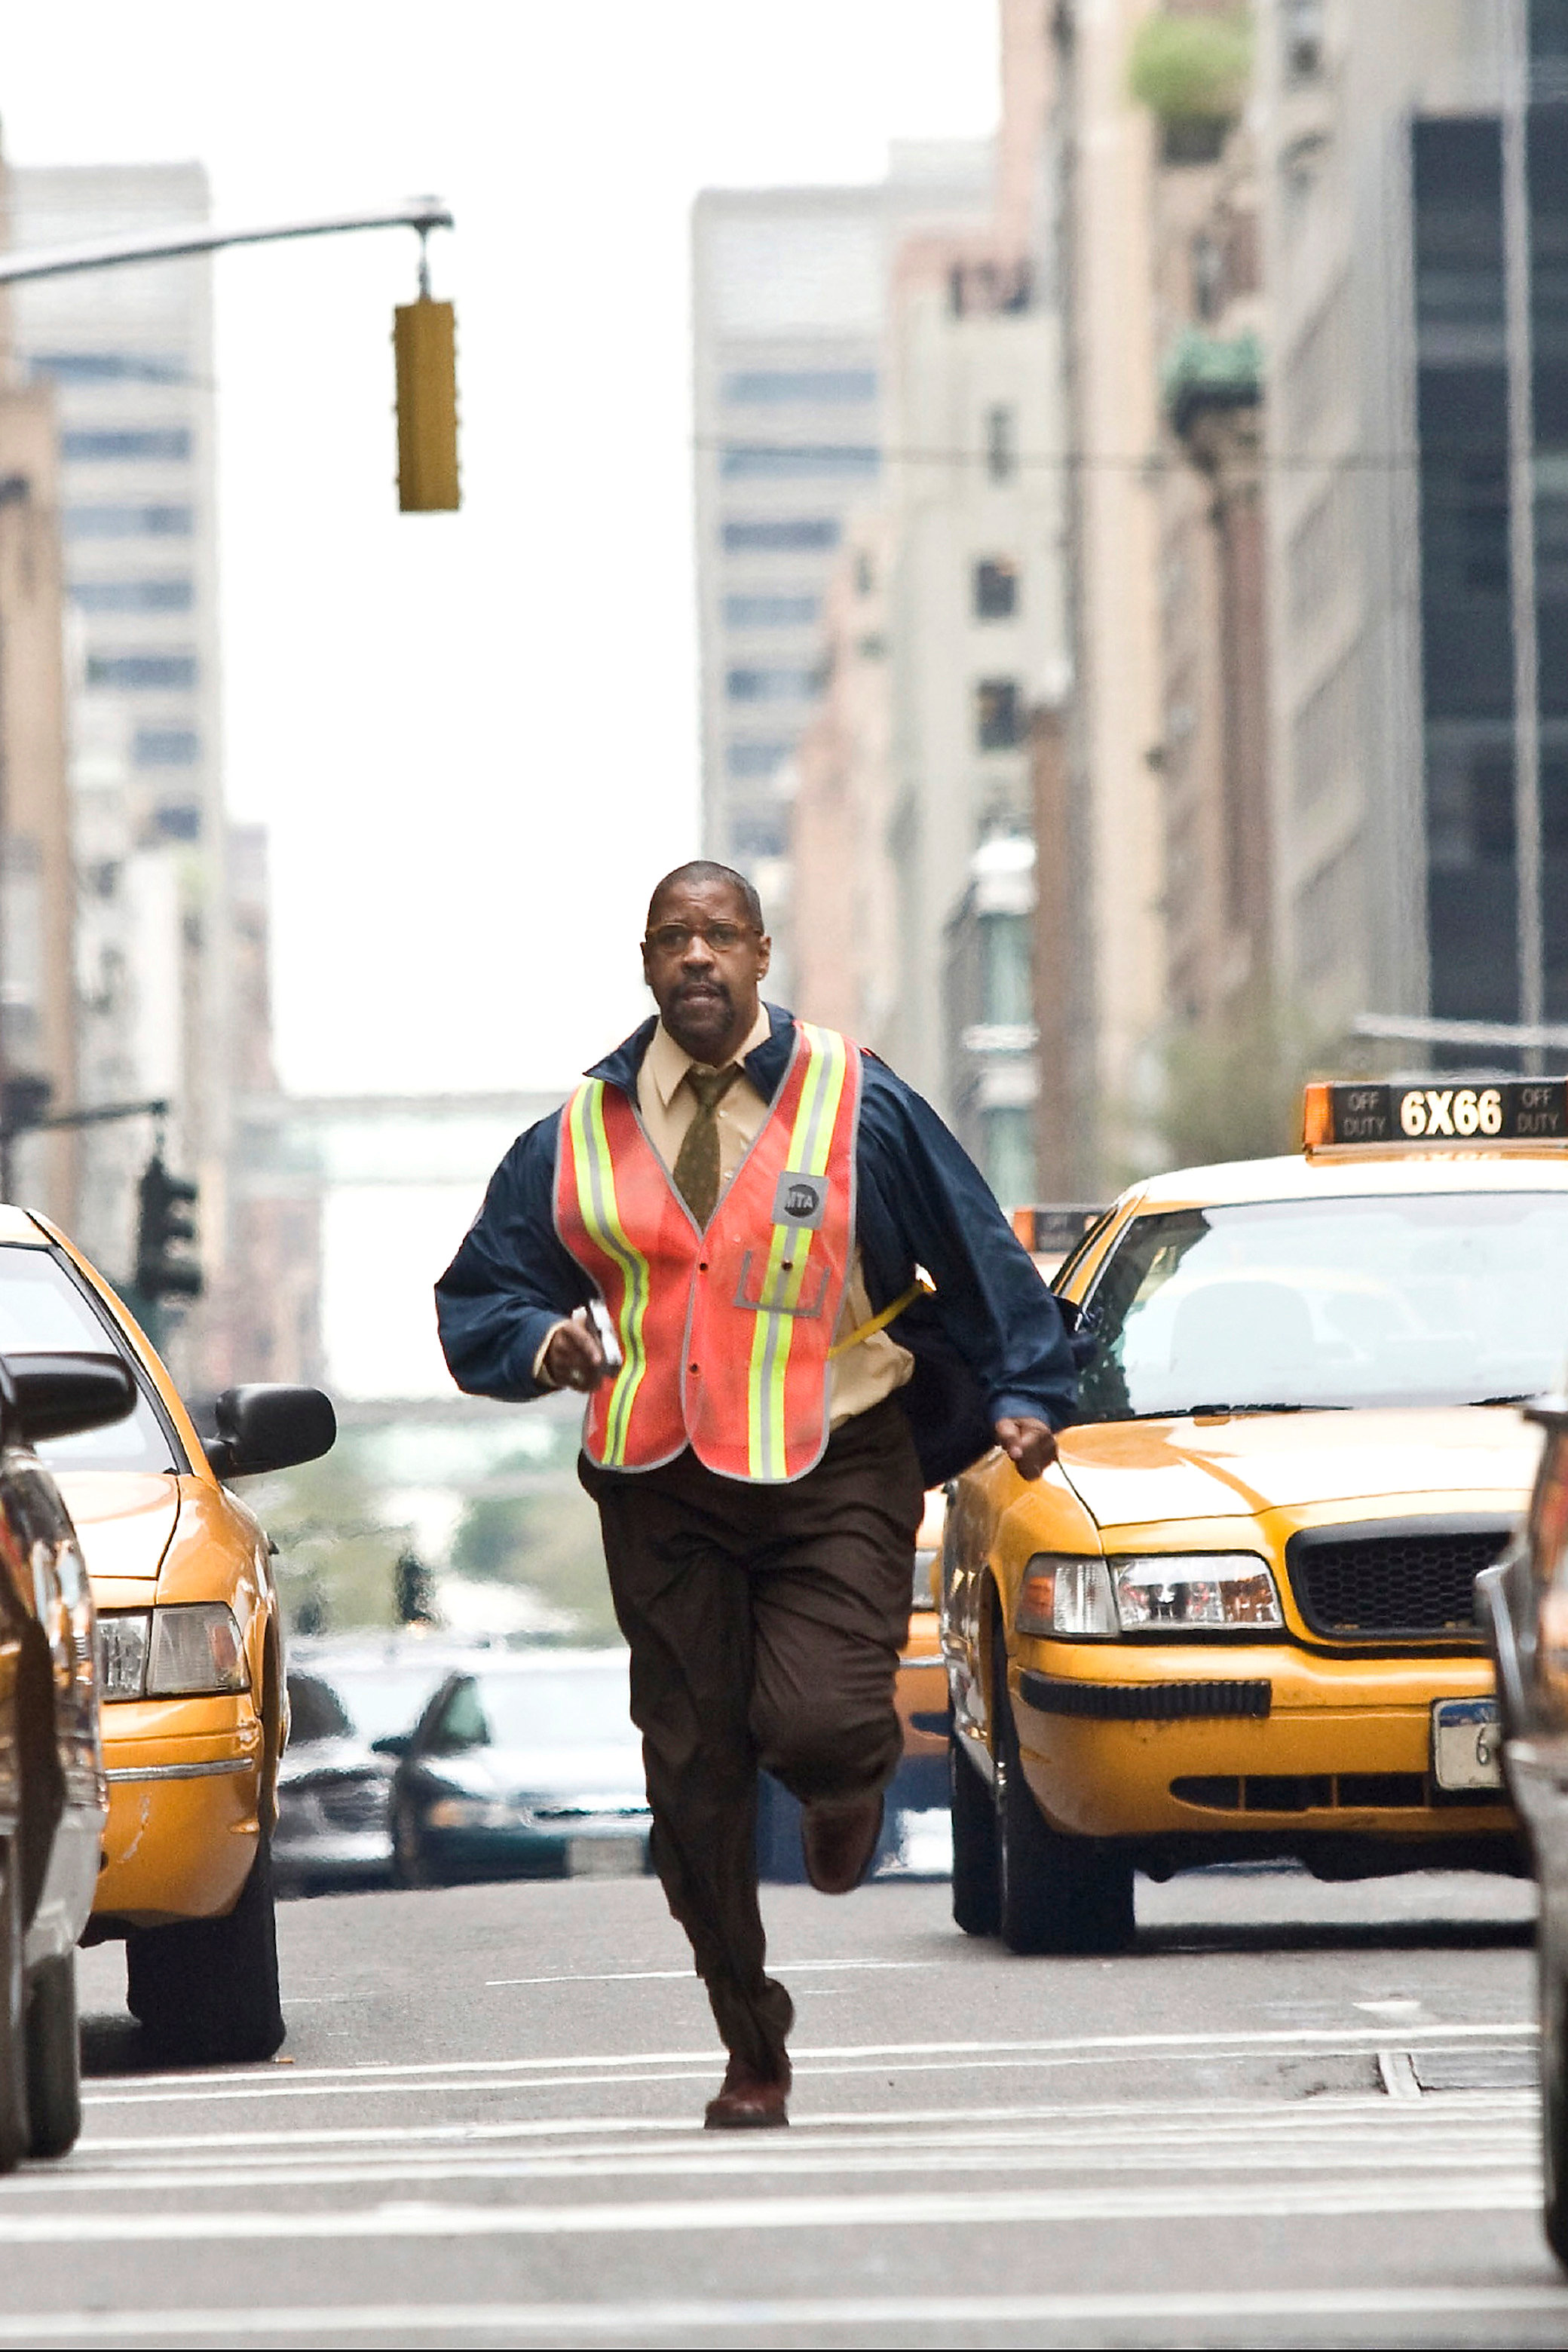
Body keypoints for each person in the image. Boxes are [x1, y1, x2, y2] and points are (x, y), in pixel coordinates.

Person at [435, 860, 1076, 2129]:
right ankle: (750, 2040)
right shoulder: (575, 1134)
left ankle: (846, 1790)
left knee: (825, 1723)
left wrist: (1028, 1390)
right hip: (657, 1482)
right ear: (647, 961)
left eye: (719, 936)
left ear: (762, 954)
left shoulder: (855, 1099)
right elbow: (478, 1297)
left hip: (839, 1454)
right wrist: (538, 1345)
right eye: (674, 938)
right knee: (692, 1783)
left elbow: (978, 1244)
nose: (697, 959)